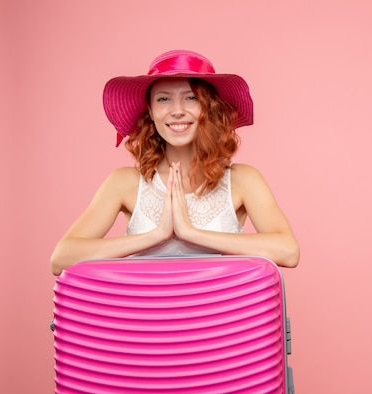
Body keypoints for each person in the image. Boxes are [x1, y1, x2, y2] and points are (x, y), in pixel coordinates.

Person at [50, 50, 299, 276]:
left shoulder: (243, 180)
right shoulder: (124, 182)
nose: (177, 110)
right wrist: (156, 235)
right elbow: (61, 259)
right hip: (142, 321)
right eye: (163, 99)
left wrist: (191, 233)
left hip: (221, 321)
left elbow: (288, 252)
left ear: (207, 107)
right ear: (149, 110)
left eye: (191, 97)